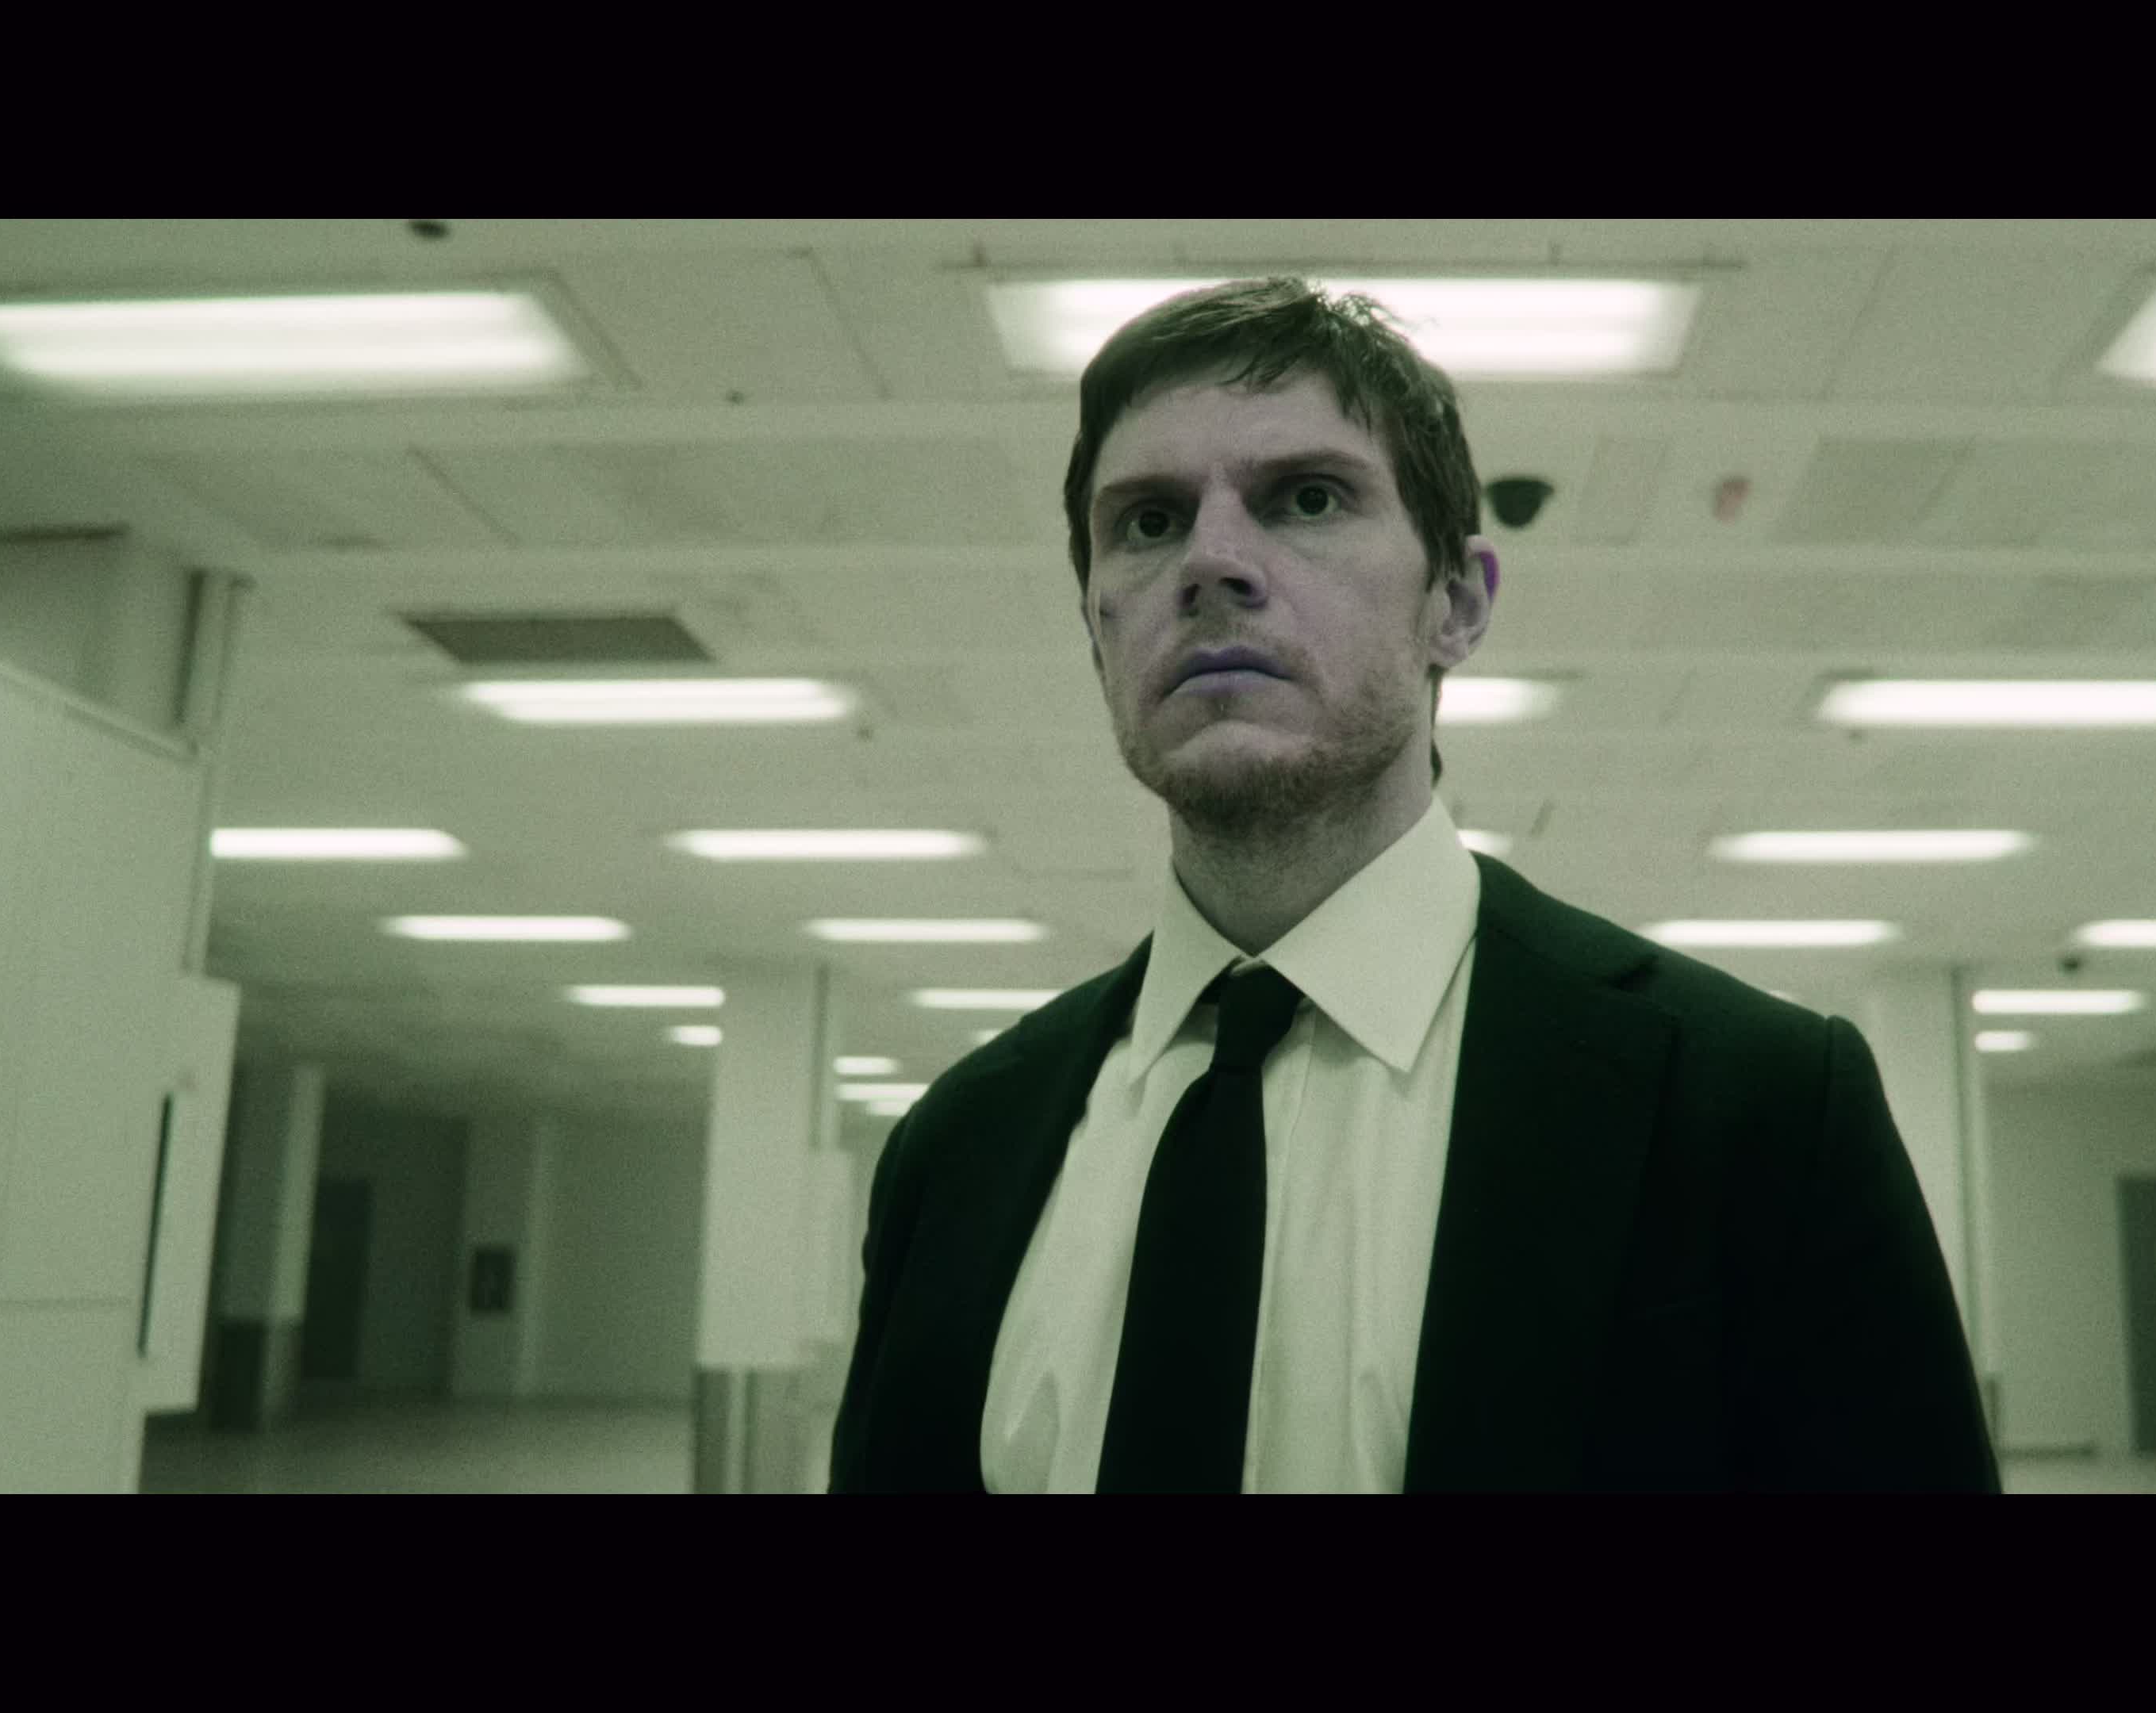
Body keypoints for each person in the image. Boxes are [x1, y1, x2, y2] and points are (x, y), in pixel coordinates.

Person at [828, 278, 1999, 1493]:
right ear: (1098, 634)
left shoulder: (1755, 1110)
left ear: (1458, 604)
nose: (1212, 561)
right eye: (1150, 520)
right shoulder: (956, 1151)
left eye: (1308, 498)